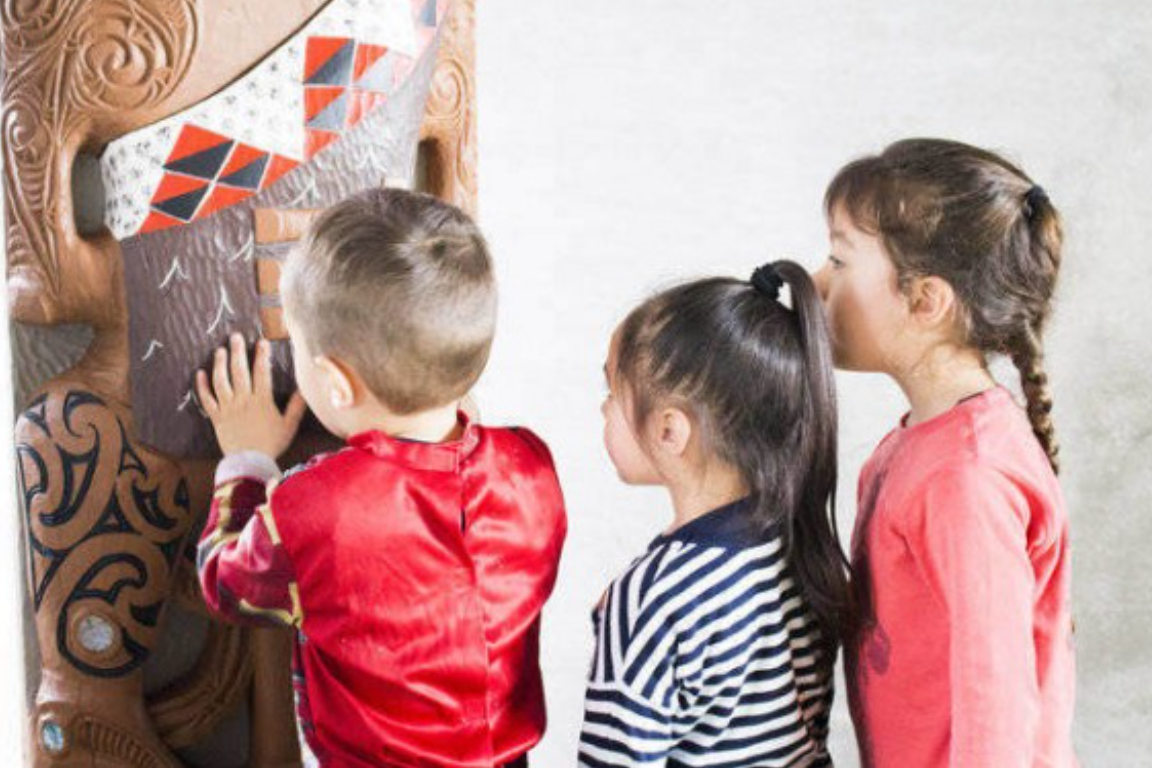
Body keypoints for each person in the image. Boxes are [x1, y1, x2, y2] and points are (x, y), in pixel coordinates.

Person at [195, 188, 567, 768]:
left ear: (335, 383)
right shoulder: (531, 466)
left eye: (296, 342)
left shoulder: (314, 508)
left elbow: (225, 584)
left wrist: (246, 460)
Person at [813, 138, 1076, 768]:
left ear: (925, 301)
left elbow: (997, 707)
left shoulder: (966, 476)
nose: (819, 281)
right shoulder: (918, 445)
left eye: (839, 260)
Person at [578, 261, 850, 767]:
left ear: (669, 432)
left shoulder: (653, 598)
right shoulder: (796, 550)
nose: (602, 410)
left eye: (611, 393)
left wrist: (631, 618)